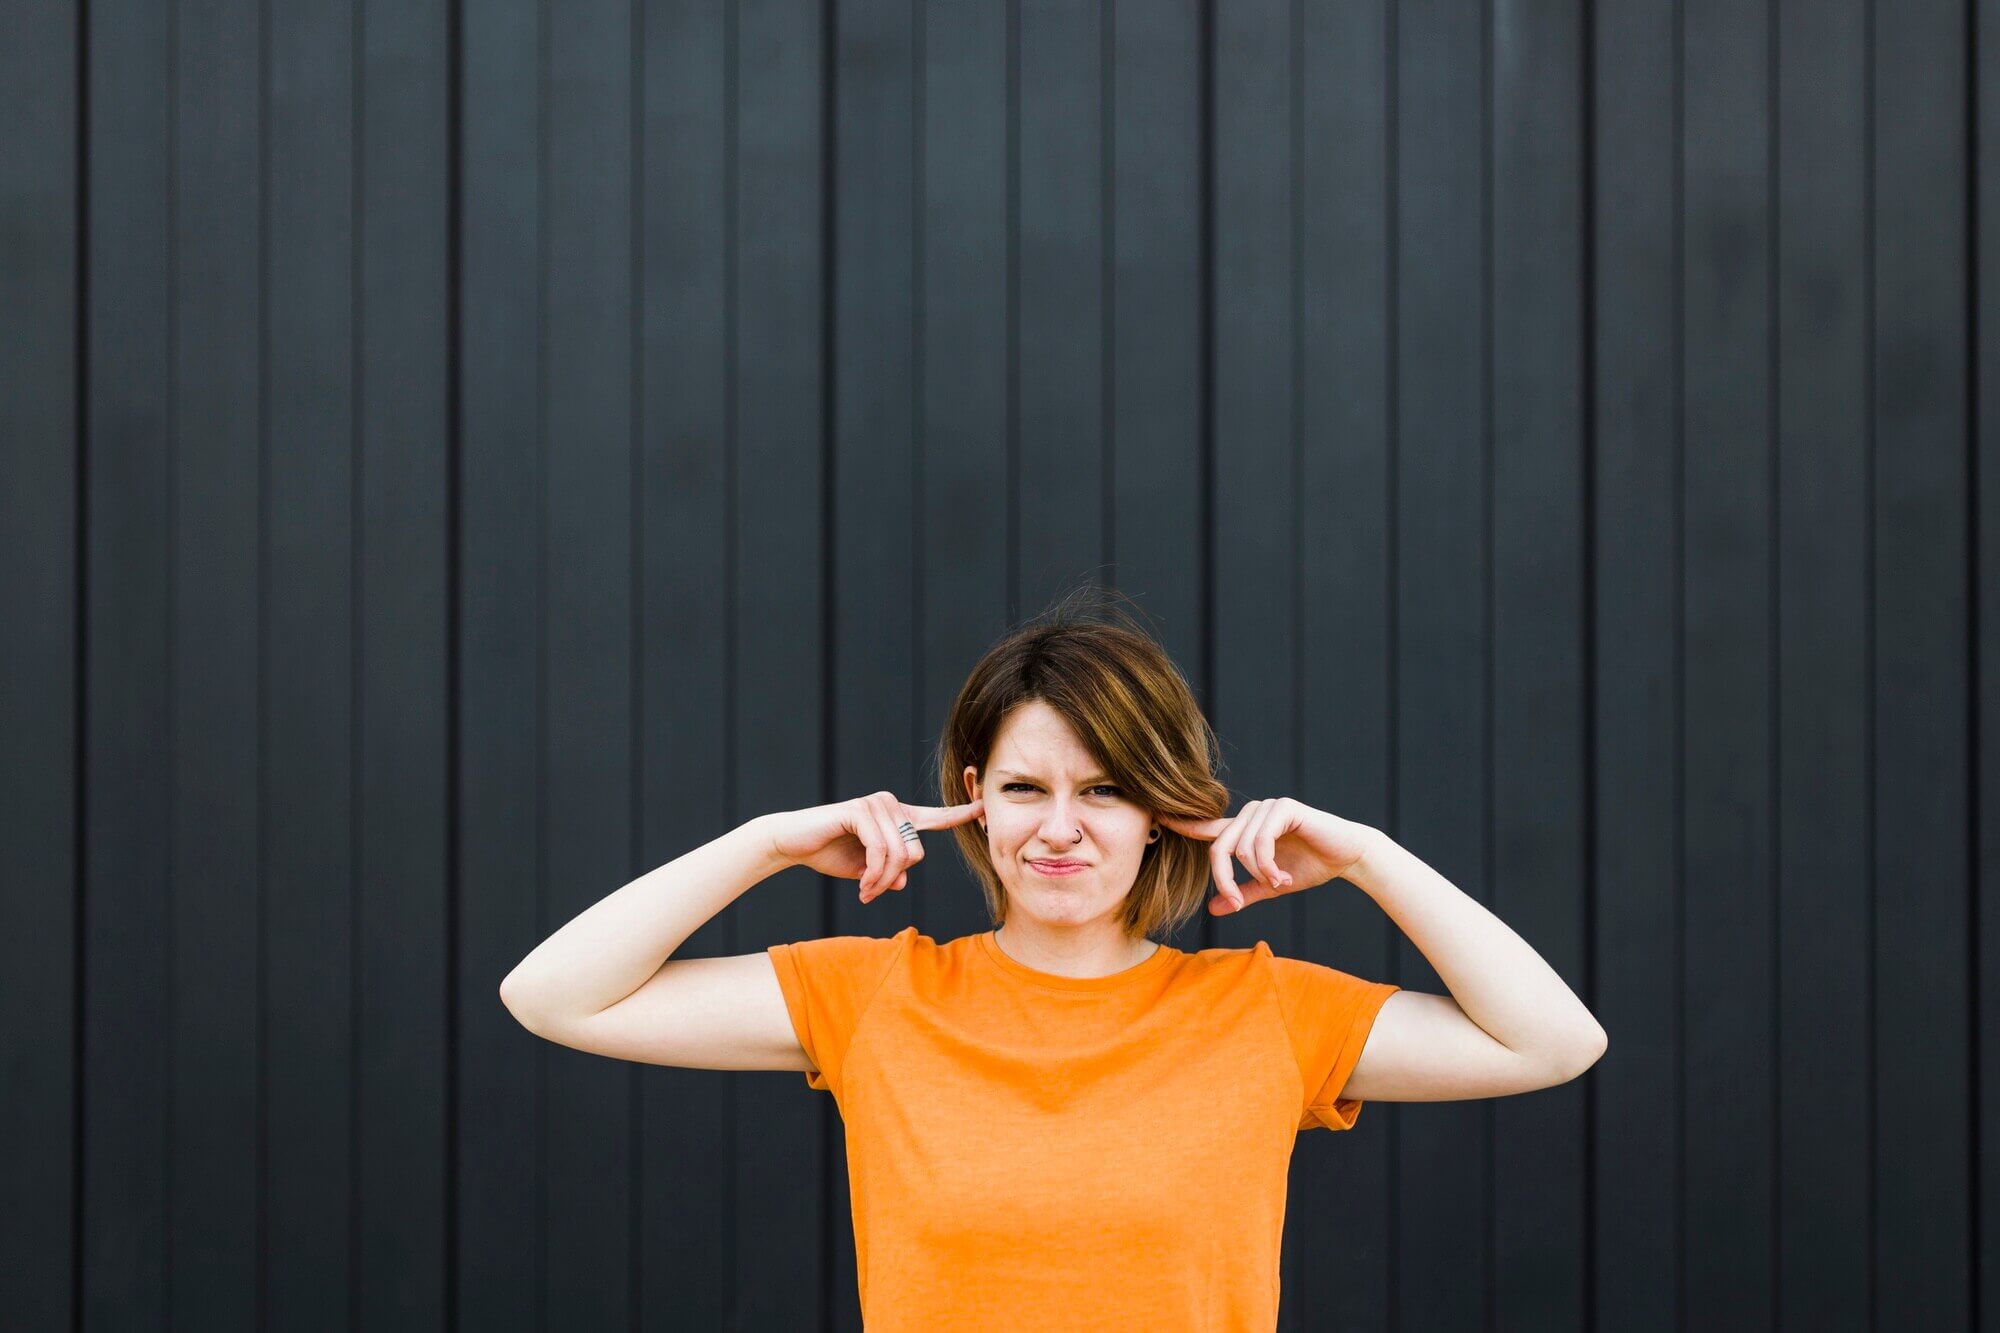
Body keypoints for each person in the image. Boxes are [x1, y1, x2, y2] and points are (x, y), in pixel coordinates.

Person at [498, 588, 1607, 1330]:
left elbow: (1553, 1040)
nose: (1060, 827)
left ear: (1163, 810)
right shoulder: (878, 994)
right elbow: (552, 994)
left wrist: (1366, 857)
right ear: (973, 799)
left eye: (1106, 788)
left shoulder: (1260, 1010)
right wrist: (766, 843)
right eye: (1025, 787)